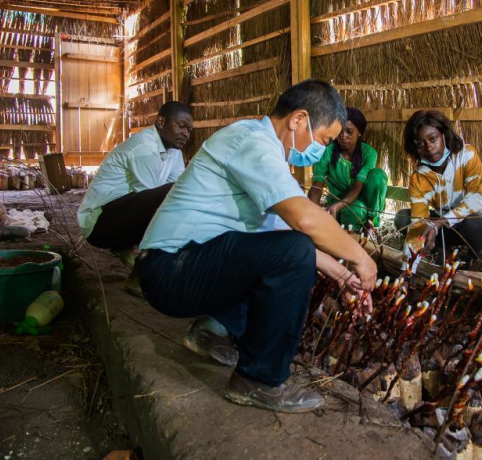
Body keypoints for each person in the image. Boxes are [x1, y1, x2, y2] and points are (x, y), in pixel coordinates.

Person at [137, 79, 377, 413]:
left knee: (296, 254)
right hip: (169, 269)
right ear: (297, 120)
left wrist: (343, 275)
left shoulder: (264, 153)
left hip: (179, 266)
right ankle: (259, 381)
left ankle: (211, 331)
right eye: (324, 139)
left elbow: (280, 232)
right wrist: (363, 260)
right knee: (296, 251)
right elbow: (303, 222)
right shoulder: (253, 142)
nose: (322, 149)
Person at [77, 101, 192, 270]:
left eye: (189, 130)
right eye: (181, 126)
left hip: (121, 218)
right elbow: (150, 201)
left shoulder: (175, 152)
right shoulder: (144, 147)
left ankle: (127, 247)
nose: (185, 133)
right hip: (98, 224)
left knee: (179, 191)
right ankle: (144, 268)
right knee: (175, 193)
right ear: (161, 122)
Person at [395, 110, 482, 267]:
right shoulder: (419, 178)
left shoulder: (466, 155)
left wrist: (438, 223)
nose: (429, 147)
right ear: (414, 147)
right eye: (420, 143)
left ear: (444, 135)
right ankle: (441, 248)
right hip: (444, 227)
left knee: (474, 224)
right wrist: (407, 272)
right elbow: (417, 224)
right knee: (403, 219)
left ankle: (472, 258)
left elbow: (475, 199)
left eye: (433, 139)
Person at [308, 107, 388, 230]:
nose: (343, 136)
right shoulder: (327, 152)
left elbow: (358, 185)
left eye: (349, 132)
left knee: (378, 175)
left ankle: (371, 222)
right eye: (340, 131)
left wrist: (338, 206)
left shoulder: (369, 153)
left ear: (359, 132)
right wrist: (310, 214)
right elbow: (317, 186)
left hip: (363, 202)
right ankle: (350, 233)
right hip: (337, 203)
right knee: (354, 210)